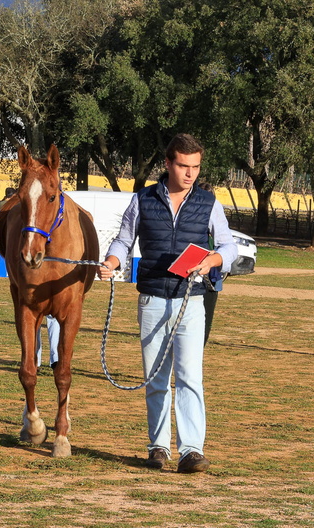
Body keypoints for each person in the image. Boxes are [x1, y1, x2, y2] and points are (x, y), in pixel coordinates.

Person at [97, 133, 237, 474]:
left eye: (196, 167)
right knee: (156, 378)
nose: (190, 173)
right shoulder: (142, 200)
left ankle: (191, 450)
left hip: (192, 302)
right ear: (168, 164)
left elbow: (229, 247)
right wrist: (112, 263)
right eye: (183, 166)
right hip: (152, 300)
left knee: (190, 377)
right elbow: (124, 240)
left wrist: (213, 260)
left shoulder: (209, 203)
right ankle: (158, 447)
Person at [197, 182, 224, 346]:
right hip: (191, 278)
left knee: (206, 318)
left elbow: (225, 247)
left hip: (211, 280)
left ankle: (200, 346)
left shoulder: (218, 222)